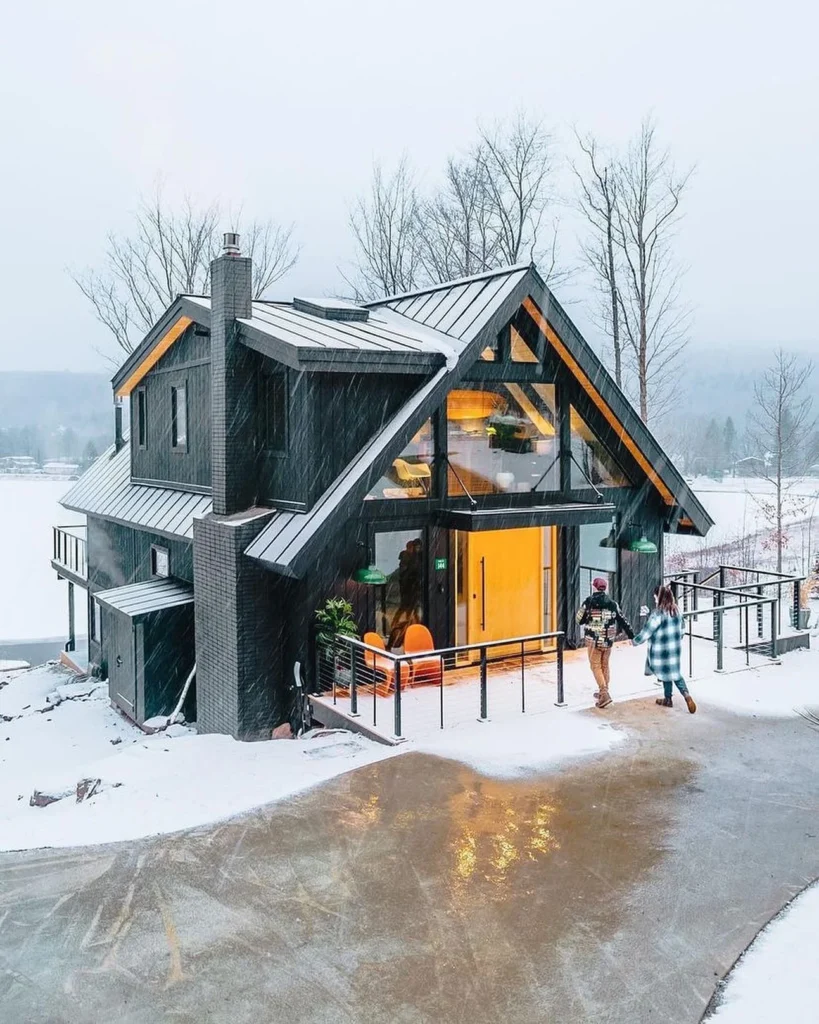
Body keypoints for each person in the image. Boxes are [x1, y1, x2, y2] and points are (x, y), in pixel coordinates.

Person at [632, 585, 697, 713]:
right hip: (674, 650)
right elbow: (683, 631)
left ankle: (668, 699)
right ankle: (685, 695)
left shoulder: (657, 614)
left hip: (660, 651)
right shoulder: (677, 611)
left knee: (664, 673)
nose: (655, 599)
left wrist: (635, 641)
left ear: (660, 597)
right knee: (674, 673)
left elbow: (647, 632)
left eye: (656, 597)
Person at [576, 577, 634, 709]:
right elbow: (623, 620)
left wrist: (589, 617)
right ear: (605, 588)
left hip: (594, 639)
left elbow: (579, 619)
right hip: (608, 639)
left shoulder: (589, 602)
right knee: (605, 665)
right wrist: (631, 635)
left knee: (595, 666)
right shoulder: (612, 603)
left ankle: (604, 692)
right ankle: (604, 691)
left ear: (594, 587)